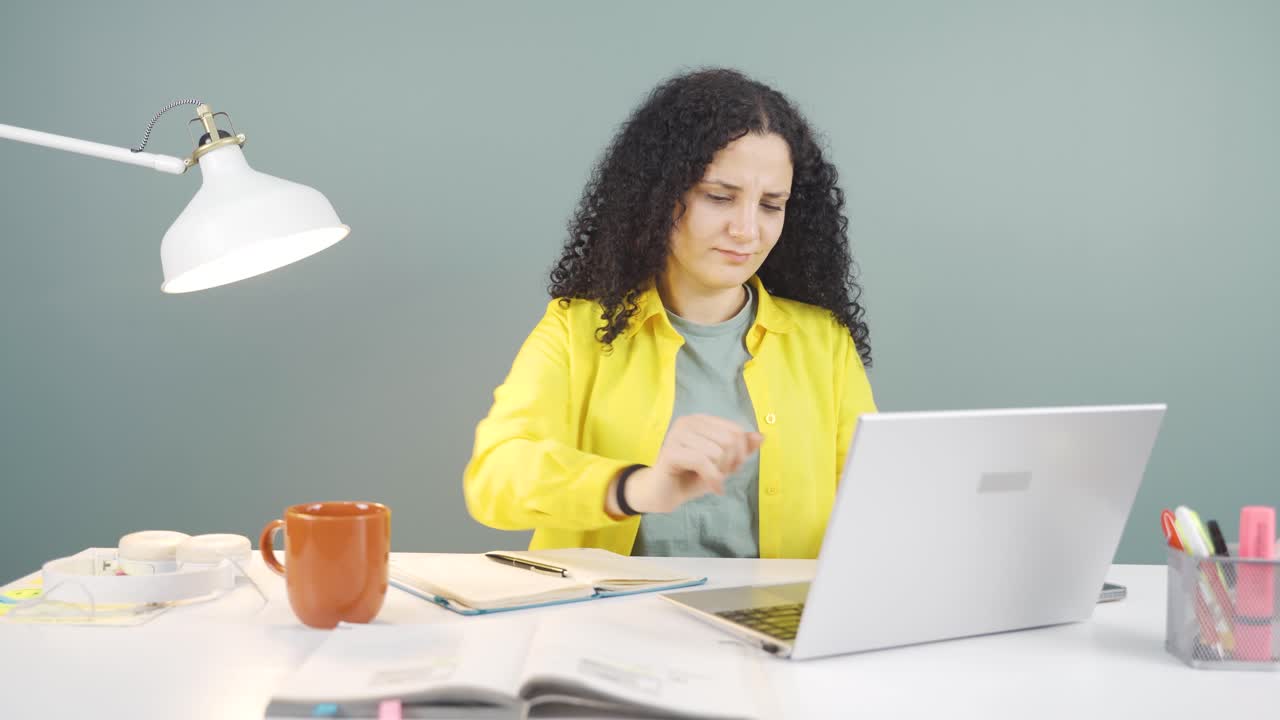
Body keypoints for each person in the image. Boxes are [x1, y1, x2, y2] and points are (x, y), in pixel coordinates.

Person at [463, 68, 876, 559]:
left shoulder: (824, 342)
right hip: (608, 622)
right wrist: (634, 486)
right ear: (657, 197)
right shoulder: (578, 329)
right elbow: (495, 476)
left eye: (771, 205)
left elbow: (874, 508)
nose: (747, 230)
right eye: (719, 197)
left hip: (775, 628)